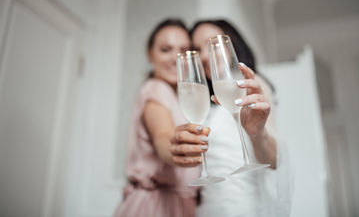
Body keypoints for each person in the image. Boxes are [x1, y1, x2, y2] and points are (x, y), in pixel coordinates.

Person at [170, 19, 293, 216]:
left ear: (232, 46)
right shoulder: (209, 101)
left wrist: (257, 133)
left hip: (242, 206)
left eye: (212, 44)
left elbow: (273, 160)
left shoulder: (251, 85)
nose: (204, 55)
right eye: (197, 49)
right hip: (209, 207)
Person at [114, 19, 205, 217]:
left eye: (182, 51)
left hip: (179, 204)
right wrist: (175, 147)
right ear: (150, 54)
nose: (175, 58)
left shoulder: (180, 98)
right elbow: (163, 136)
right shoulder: (156, 89)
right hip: (156, 207)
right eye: (165, 49)